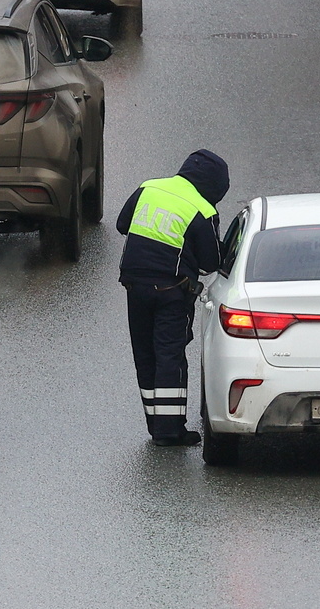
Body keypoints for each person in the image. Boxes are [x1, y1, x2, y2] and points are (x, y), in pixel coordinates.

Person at [116, 150, 229, 446]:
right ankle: (170, 430)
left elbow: (121, 224)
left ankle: (155, 423)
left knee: (145, 355)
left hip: (134, 286)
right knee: (169, 355)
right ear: (214, 187)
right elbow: (210, 263)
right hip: (172, 292)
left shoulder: (148, 187)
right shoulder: (202, 210)